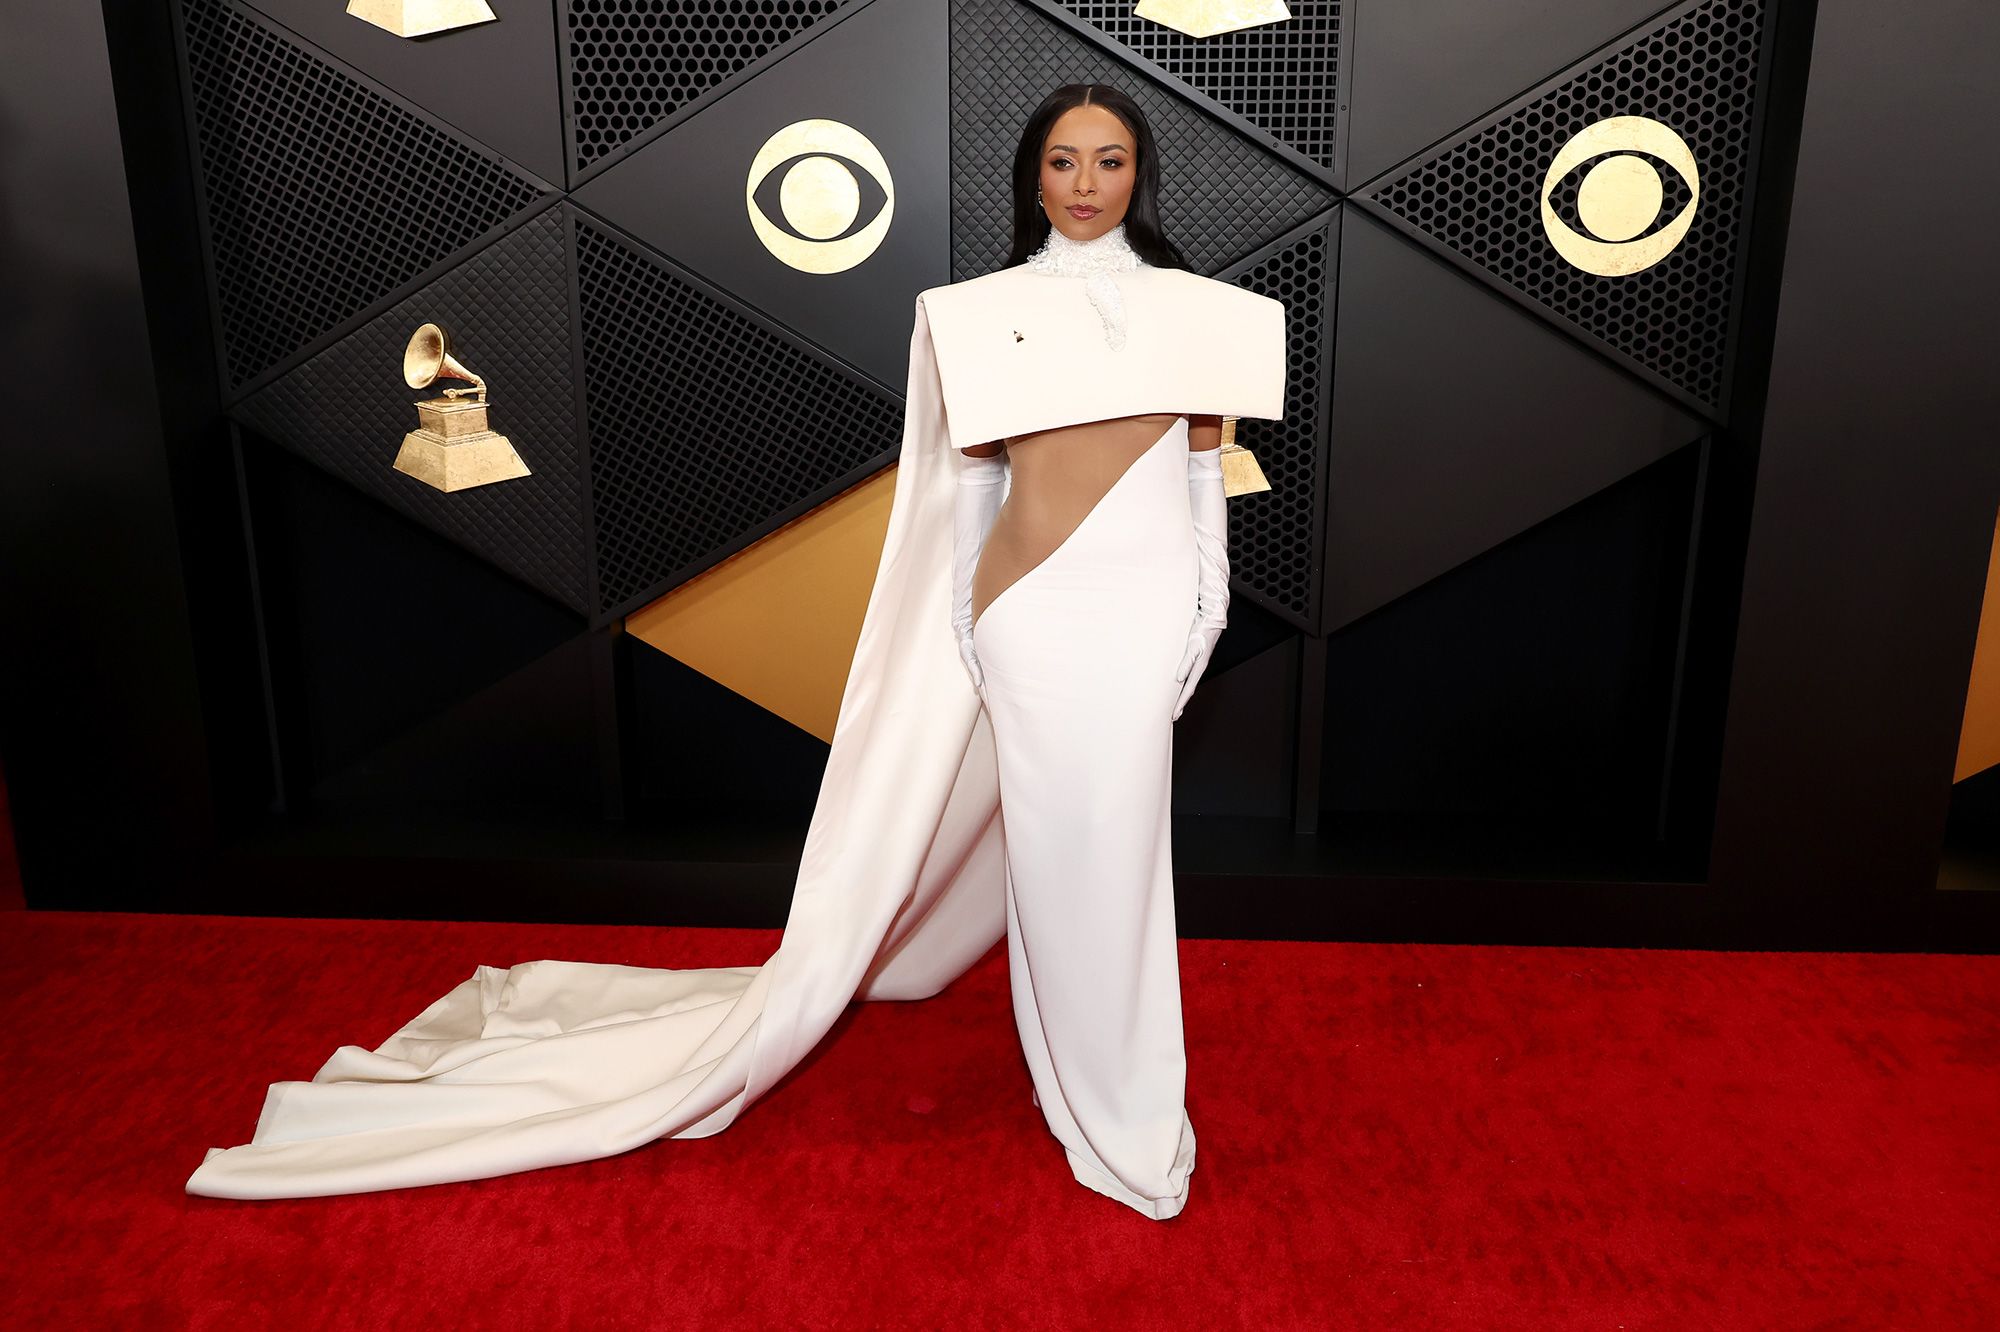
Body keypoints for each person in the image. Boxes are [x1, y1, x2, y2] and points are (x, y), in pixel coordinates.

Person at [184, 84, 1286, 1221]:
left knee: (1120, 858)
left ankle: (1120, 1091)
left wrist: (1203, 615)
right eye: (1063, 161)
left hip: (1146, 610)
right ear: (1032, 177)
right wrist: (970, 623)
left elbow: (1202, 475)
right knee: (1065, 864)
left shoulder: (1198, 313)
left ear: (1137, 172)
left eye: (1109, 160)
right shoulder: (972, 310)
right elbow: (967, 490)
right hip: (1028, 620)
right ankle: (1099, 1106)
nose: (1086, 184)